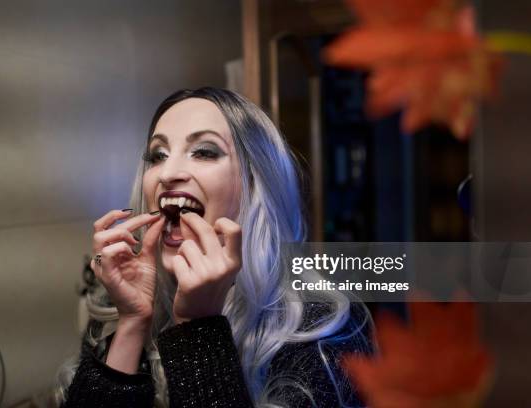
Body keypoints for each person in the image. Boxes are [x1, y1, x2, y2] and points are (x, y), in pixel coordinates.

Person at [59, 87, 373, 408]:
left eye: (204, 152)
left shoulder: (325, 334)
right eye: (157, 155)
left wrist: (198, 326)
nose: (167, 174)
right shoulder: (117, 310)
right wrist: (132, 322)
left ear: (255, 183)